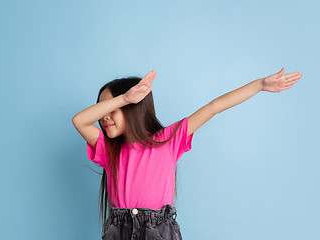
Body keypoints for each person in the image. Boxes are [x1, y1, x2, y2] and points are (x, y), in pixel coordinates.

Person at [72, 68, 302, 240]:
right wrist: (121, 99)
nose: (104, 116)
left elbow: (214, 106)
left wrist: (260, 84)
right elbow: (79, 121)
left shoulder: (167, 140)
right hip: (119, 230)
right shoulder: (109, 150)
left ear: (135, 104)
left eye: (111, 107)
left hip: (158, 231)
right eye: (102, 107)